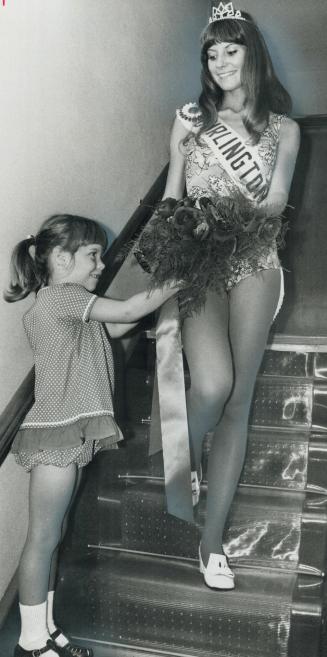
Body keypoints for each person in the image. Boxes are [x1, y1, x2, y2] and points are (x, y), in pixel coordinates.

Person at [160, 4, 300, 589]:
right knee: (211, 384)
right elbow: (172, 201)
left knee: (238, 400)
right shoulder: (192, 118)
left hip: (255, 262)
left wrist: (230, 215)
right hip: (200, 265)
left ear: (251, 53)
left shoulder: (283, 129)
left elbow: (274, 204)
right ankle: (180, 462)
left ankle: (212, 544)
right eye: (211, 53)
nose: (219, 62)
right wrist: (176, 152)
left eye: (230, 50)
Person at [4, 214, 179, 657]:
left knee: (56, 533)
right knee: (42, 538)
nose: (101, 264)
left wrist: (151, 305)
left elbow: (118, 325)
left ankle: (46, 628)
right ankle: (30, 642)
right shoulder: (60, 298)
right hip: (56, 433)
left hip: (70, 431)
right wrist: (179, 277)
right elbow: (125, 311)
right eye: (93, 255)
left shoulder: (69, 305)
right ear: (62, 260)